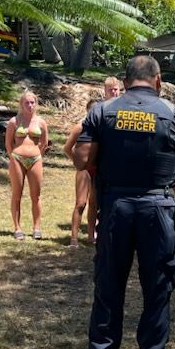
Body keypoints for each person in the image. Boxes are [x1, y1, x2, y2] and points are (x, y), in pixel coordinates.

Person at [72, 53, 175, 349]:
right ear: (158, 81)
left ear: (125, 80)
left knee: (108, 290)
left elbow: (82, 159)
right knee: (157, 292)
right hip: (157, 210)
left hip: (116, 207)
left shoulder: (102, 111)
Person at [6, 90, 48, 240]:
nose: (30, 105)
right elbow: (8, 143)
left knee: (36, 195)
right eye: (27, 103)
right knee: (17, 194)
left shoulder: (41, 122)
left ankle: (36, 227)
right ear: (21, 104)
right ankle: (17, 227)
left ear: (36, 104)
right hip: (17, 158)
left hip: (35, 159)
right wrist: (13, 156)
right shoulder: (14, 121)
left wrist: (37, 155)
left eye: (32, 102)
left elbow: (44, 142)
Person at [64, 99, 99, 248]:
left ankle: (91, 236)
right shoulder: (80, 127)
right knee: (81, 203)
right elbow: (67, 148)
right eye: (92, 111)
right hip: (84, 169)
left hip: (97, 169)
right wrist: (77, 161)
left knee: (94, 203)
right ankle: (74, 239)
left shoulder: (102, 128)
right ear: (88, 111)